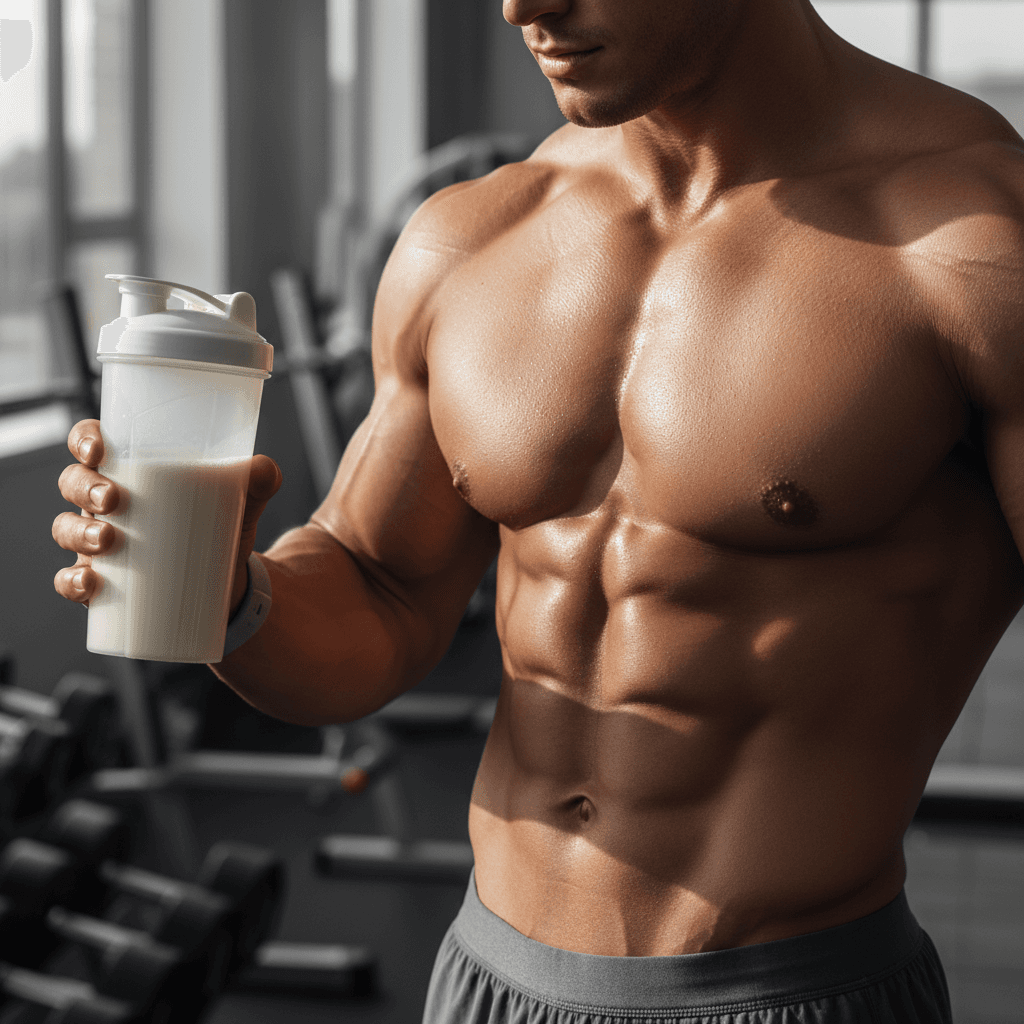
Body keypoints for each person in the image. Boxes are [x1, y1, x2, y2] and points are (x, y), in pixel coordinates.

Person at [54, 0, 1024, 1020]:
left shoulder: (975, 245)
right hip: (487, 979)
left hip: (785, 990)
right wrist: (234, 597)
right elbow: (377, 588)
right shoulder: (473, 236)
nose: (523, 6)